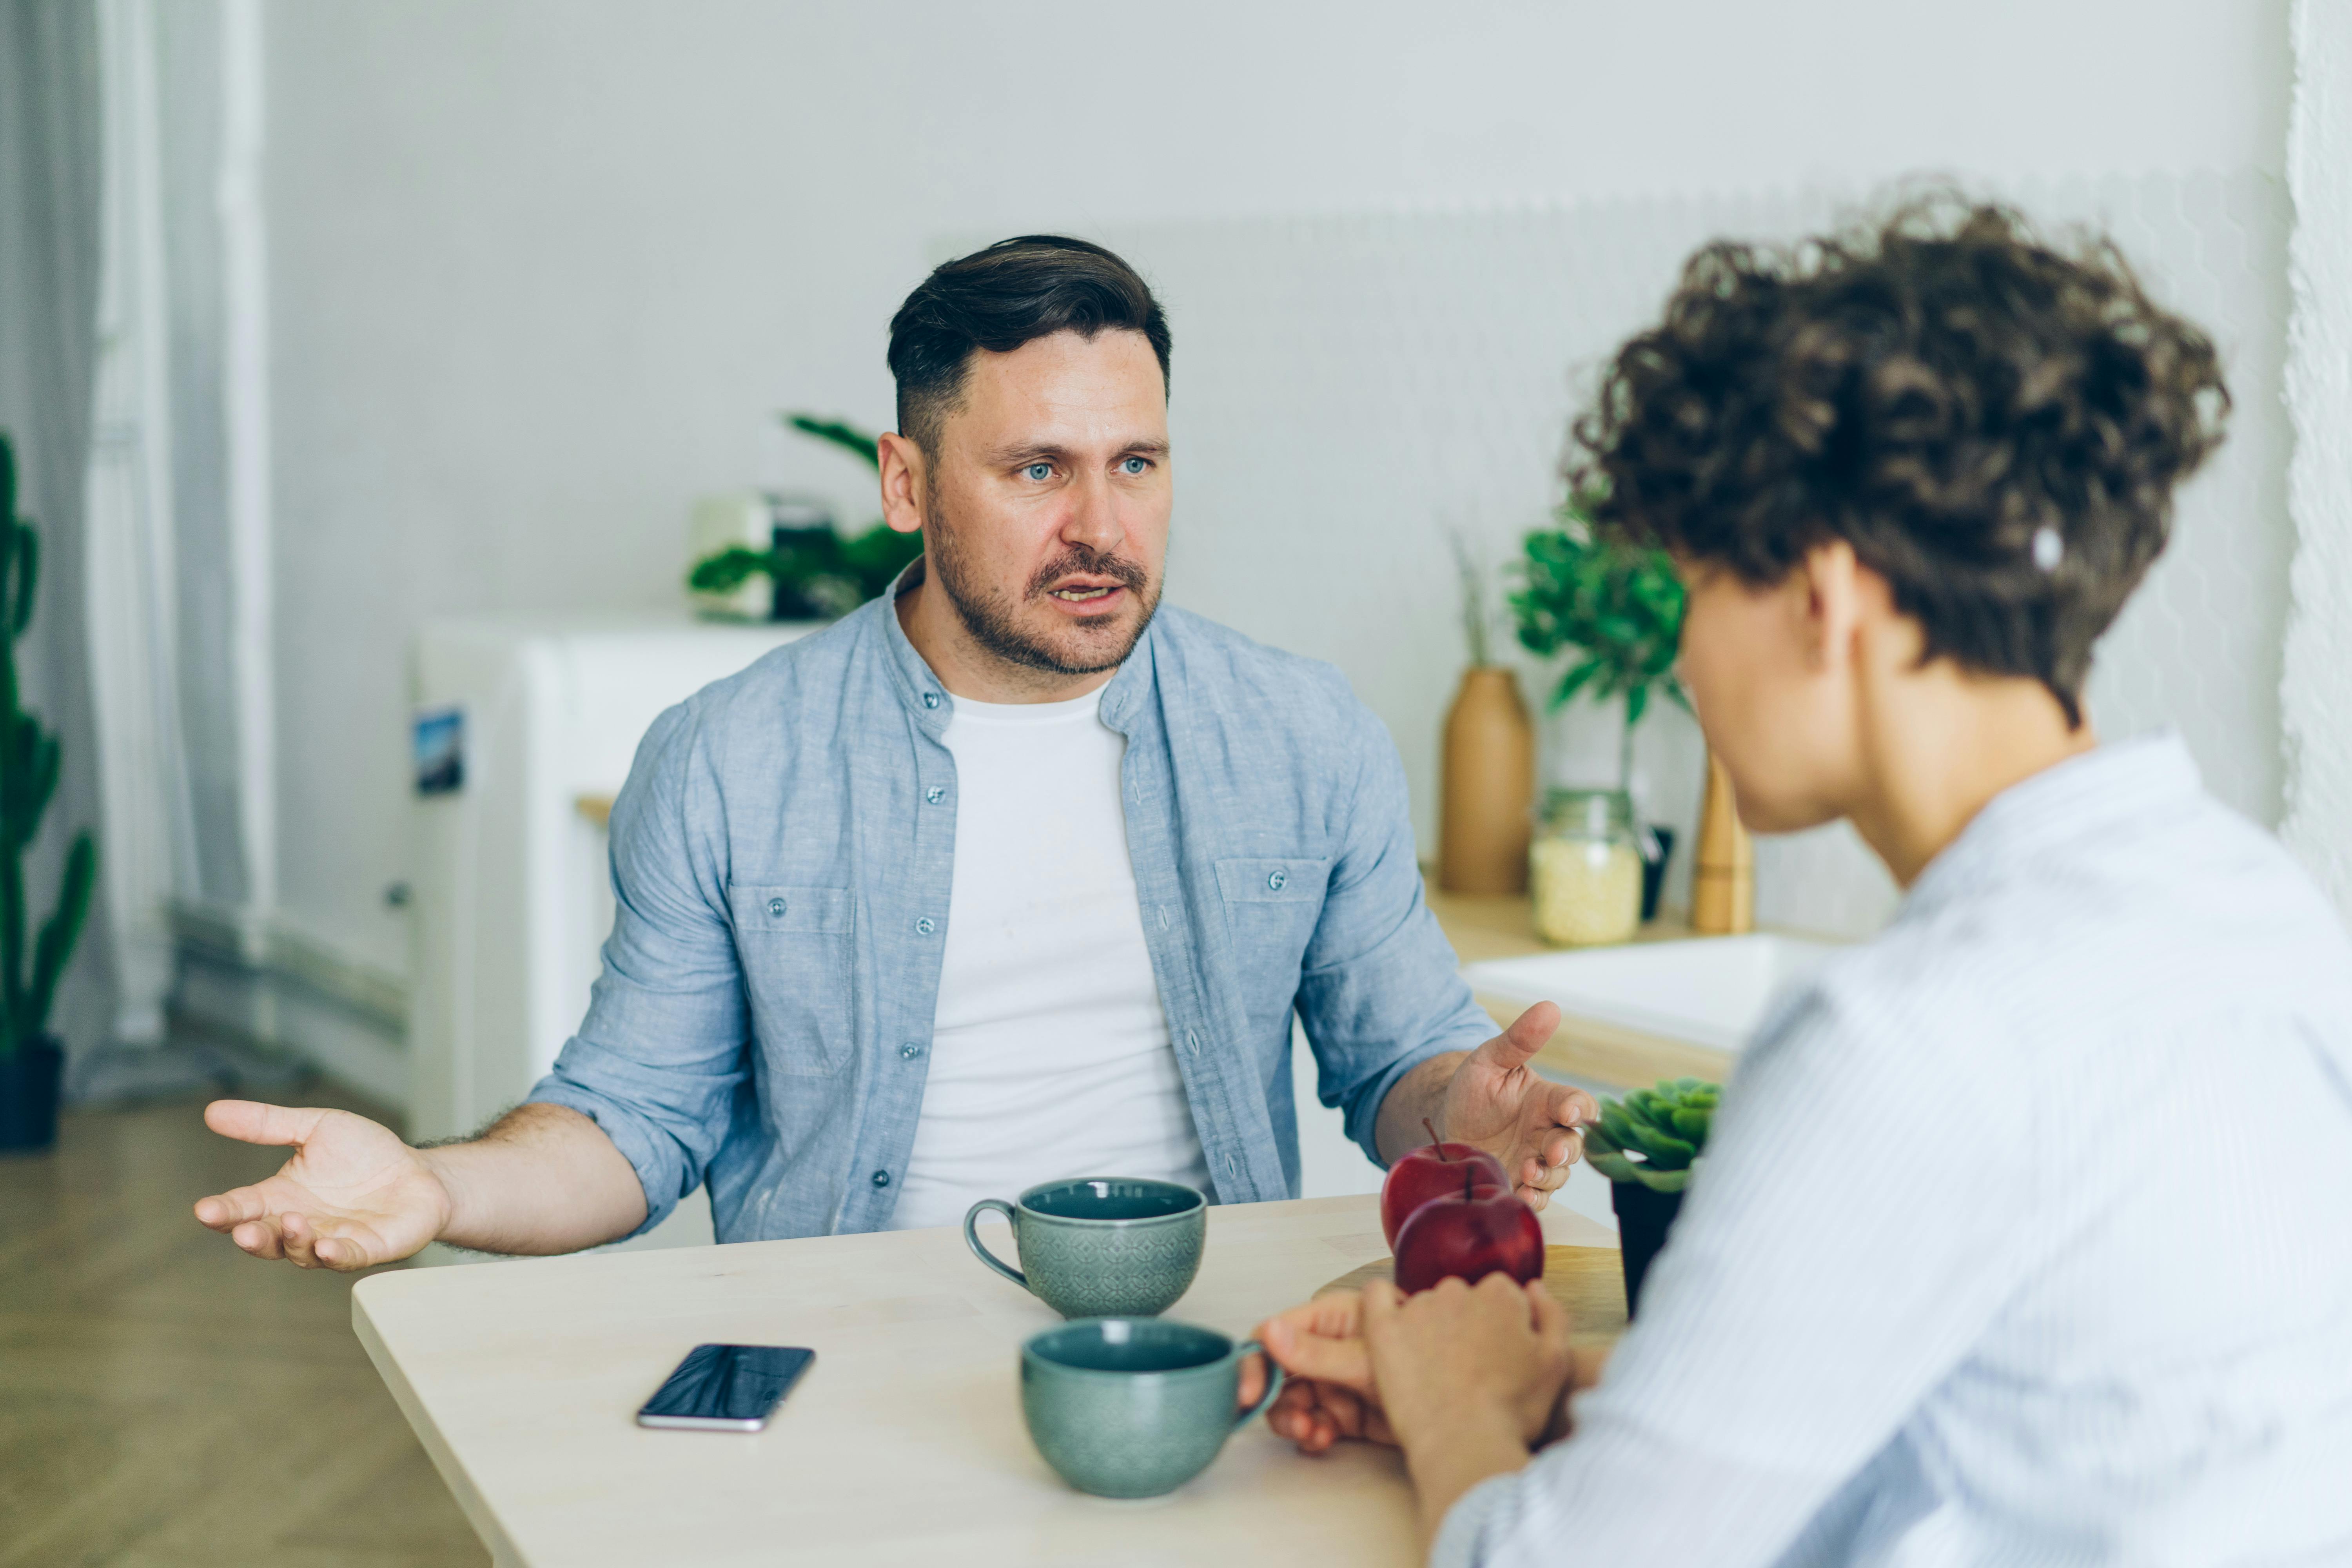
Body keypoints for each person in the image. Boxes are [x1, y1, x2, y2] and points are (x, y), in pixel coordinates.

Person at [1248, 199, 2352, 1564]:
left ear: (1821, 601)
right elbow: (2013, 1431)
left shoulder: (1910, 1039)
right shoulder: (2258, 908)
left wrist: (1457, 1404)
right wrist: (1559, 1403)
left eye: (1699, 586)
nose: (1684, 658)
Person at [192, 235, 1597, 1269]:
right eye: (1039, 470)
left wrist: (1460, 1107)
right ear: (907, 481)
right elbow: (631, 1122)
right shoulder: (732, 760)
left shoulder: (1301, 736)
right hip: (839, 1348)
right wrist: (437, 1187)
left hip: (1199, 1346)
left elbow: (1396, 1064)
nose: (1102, 528)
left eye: (1139, 465)